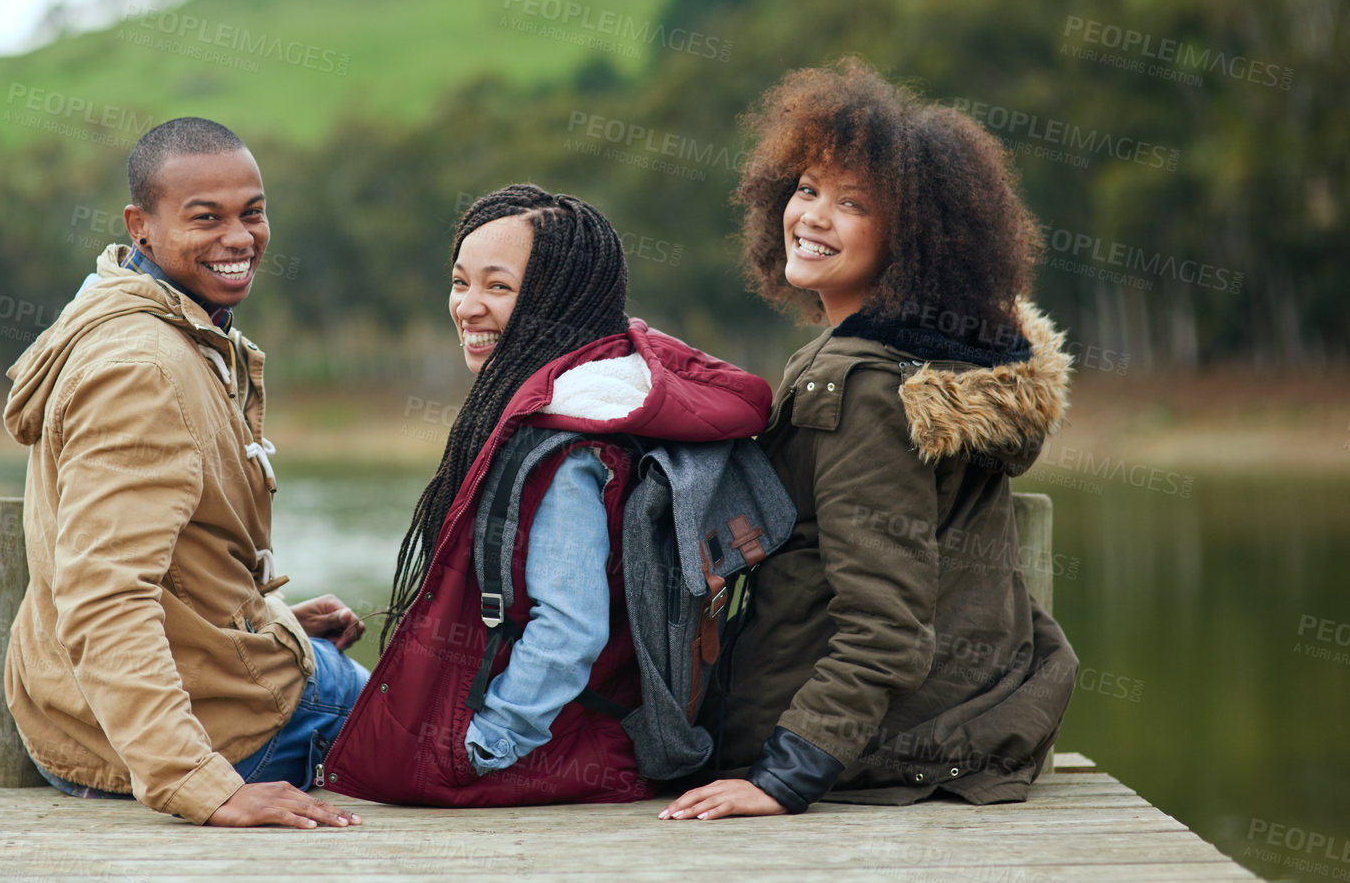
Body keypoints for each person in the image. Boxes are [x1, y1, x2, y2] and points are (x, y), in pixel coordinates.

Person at [663, 60, 1079, 821]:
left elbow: (885, 624)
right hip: (938, 723)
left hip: (864, 750)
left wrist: (783, 778)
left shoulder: (862, 387)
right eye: (807, 188)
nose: (813, 216)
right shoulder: (931, 366)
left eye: (852, 203)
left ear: (914, 240)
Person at [321, 185, 773, 805]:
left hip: (544, 751)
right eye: (460, 282)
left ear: (556, 302)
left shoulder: (565, 444)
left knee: (301, 700)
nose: (468, 306)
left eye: (499, 288)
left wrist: (488, 741)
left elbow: (569, 630)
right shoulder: (598, 404)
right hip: (594, 741)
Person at [2, 117, 366, 829]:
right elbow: (105, 593)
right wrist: (198, 784)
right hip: (211, 738)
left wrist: (275, 623)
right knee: (463, 737)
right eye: (206, 218)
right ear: (141, 226)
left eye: (252, 213)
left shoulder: (152, 320)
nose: (239, 238)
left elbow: (160, 562)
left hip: (76, 717)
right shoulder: (143, 369)